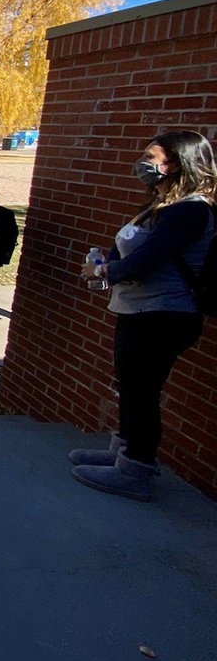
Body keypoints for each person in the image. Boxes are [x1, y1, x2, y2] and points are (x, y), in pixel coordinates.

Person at [70, 131, 216, 501]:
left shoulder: (191, 210)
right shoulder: (163, 207)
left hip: (163, 314)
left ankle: (136, 469)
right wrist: (105, 263)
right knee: (130, 385)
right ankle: (121, 452)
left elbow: (149, 259)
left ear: (178, 164)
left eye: (153, 157)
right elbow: (130, 249)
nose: (144, 163)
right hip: (138, 309)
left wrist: (104, 272)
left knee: (142, 390)